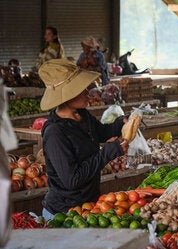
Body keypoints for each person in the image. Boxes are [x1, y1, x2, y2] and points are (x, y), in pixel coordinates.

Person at [38, 59, 128, 219]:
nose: (88, 92)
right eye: (81, 89)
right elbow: (72, 179)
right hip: (64, 215)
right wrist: (106, 153)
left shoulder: (82, 115)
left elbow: (102, 132)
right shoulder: (55, 132)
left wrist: (122, 123)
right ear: (67, 96)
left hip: (89, 207)